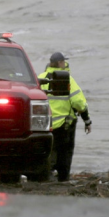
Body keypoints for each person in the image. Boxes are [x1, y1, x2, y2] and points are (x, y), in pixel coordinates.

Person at [38, 51, 91, 182]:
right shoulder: (68, 79)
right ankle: (63, 179)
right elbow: (79, 103)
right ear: (60, 63)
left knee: (47, 152)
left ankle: (45, 176)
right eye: (64, 62)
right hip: (65, 125)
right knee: (65, 154)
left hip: (44, 125)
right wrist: (87, 120)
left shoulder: (40, 77)